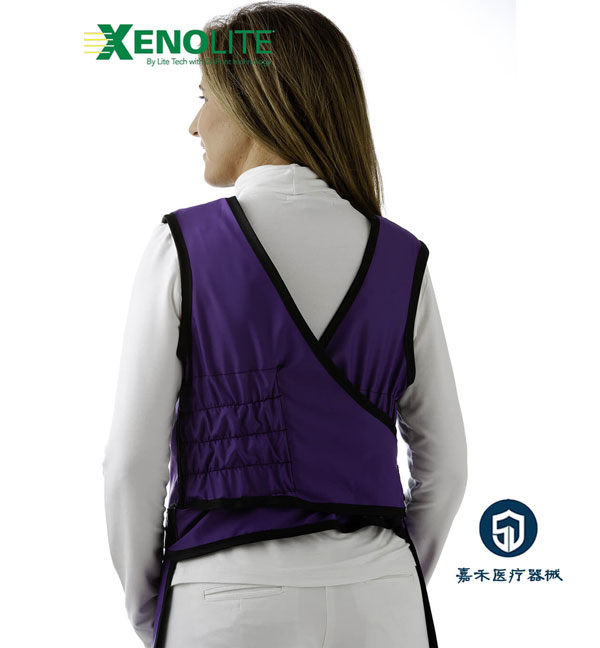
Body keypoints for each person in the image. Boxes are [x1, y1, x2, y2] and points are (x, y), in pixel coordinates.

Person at [102, 3, 468, 647]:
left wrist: (154, 610)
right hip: (383, 600)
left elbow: (131, 463)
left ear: (255, 102)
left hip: (224, 594)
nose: (193, 124)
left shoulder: (184, 245)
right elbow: (448, 467)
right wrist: (389, 576)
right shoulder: (402, 257)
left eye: (203, 97)